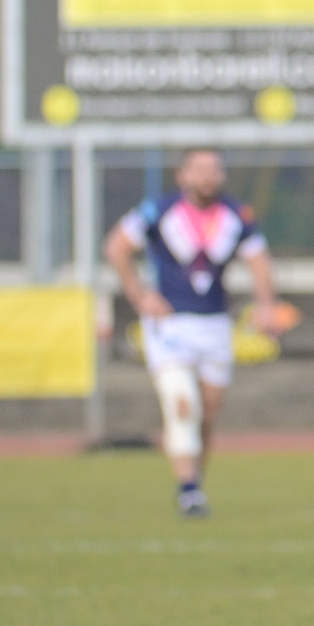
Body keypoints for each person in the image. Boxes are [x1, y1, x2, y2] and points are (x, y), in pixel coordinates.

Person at [104, 149, 283, 518]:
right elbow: (116, 247)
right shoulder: (158, 210)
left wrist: (266, 305)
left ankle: (194, 482)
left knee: (206, 415)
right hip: (170, 324)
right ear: (182, 175)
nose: (207, 177)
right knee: (181, 402)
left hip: (215, 324)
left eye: (214, 169)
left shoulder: (236, 214)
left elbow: (259, 261)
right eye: (199, 169)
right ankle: (188, 490)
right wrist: (140, 296)